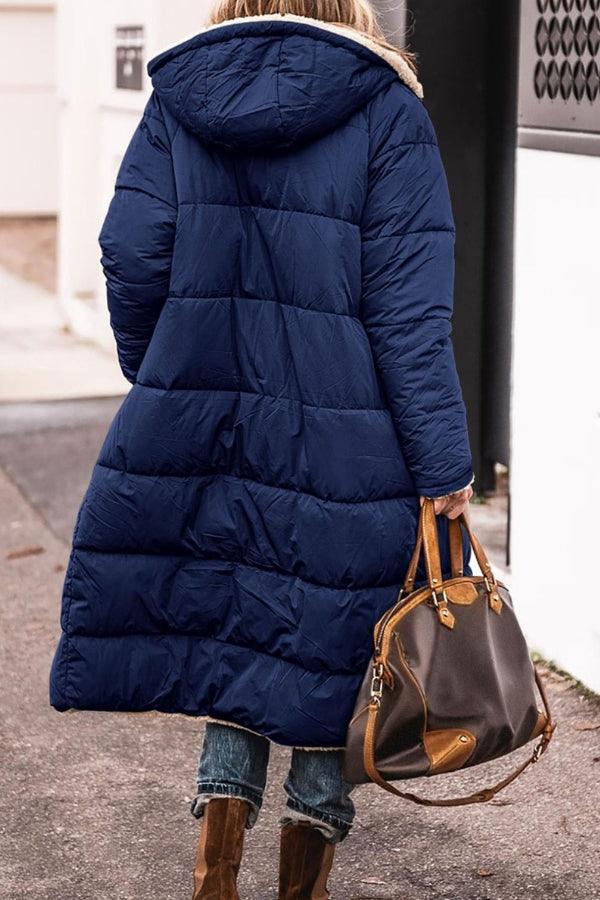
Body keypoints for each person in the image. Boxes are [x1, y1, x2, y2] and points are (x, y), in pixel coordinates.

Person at [49, 0, 474, 896]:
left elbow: (131, 252)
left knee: (234, 631)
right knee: (330, 643)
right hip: (348, 440)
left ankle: (215, 874)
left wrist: (166, 374)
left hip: (207, 426)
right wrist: (444, 462)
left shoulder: (183, 95)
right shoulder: (384, 105)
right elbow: (409, 313)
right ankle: (301, 879)